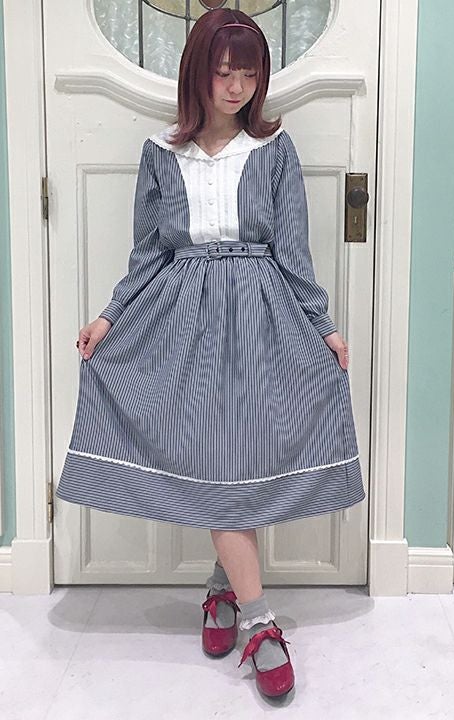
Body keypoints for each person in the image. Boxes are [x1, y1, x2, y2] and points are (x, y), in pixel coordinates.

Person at [56, 7, 365, 700]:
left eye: (248, 73)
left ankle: (226, 593)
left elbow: (293, 251)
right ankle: (258, 620)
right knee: (218, 461)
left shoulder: (275, 150)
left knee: (243, 460)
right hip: (182, 320)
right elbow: (147, 253)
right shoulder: (159, 154)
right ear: (197, 72)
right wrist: (109, 316)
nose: (235, 86)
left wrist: (323, 326)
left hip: (261, 316)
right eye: (223, 71)